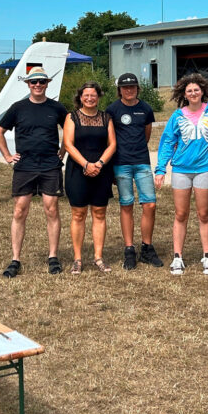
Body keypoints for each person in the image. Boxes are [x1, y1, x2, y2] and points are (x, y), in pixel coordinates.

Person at [0, 67, 68, 278]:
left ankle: (53, 257)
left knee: (51, 209)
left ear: (47, 84)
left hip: (49, 166)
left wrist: (62, 152)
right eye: (34, 82)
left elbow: (69, 131)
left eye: (41, 82)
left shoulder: (56, 107)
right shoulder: (18, 108)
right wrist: (8, 156)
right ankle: (15, 259)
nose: (37, 85)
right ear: (28, 84)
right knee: (20, 210)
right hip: (25, 166)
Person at [155, 74, 208, 275]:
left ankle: (207, 257)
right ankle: (177, 257)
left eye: (197, 90)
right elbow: (168, 142)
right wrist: (161, 169)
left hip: (204, 168)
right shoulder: (177, 116)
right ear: (184, 94)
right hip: (181, 170)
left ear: (203, 91)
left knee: (204, 214)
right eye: (189, 91)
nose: (193, 93)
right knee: (181, 214)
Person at [106, 73, 162, 270]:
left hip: (141, 162)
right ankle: (129, 249)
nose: (129, 90)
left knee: (150, 204)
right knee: (126, 204)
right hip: (121, 164)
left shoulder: (145, 108)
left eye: (132, 87)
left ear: (137, 88)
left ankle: (147, 247)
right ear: (119, 89)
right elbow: (110, 137)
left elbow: (146, 134)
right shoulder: (112, 110)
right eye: (125, 87)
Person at [63, 81, 117, 274]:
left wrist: (99, 164)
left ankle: (98, 257)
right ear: (80, 97)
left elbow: (112, 144)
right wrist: (86, 164)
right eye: (86, 95)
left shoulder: (106, 117)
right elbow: (68, 144)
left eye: (93, 95)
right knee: (78, 214)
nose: (89, 98)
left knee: (100, 213)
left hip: (101, 171)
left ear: (98, 96)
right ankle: (77, 259)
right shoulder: (72, 117)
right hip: (78, 171)